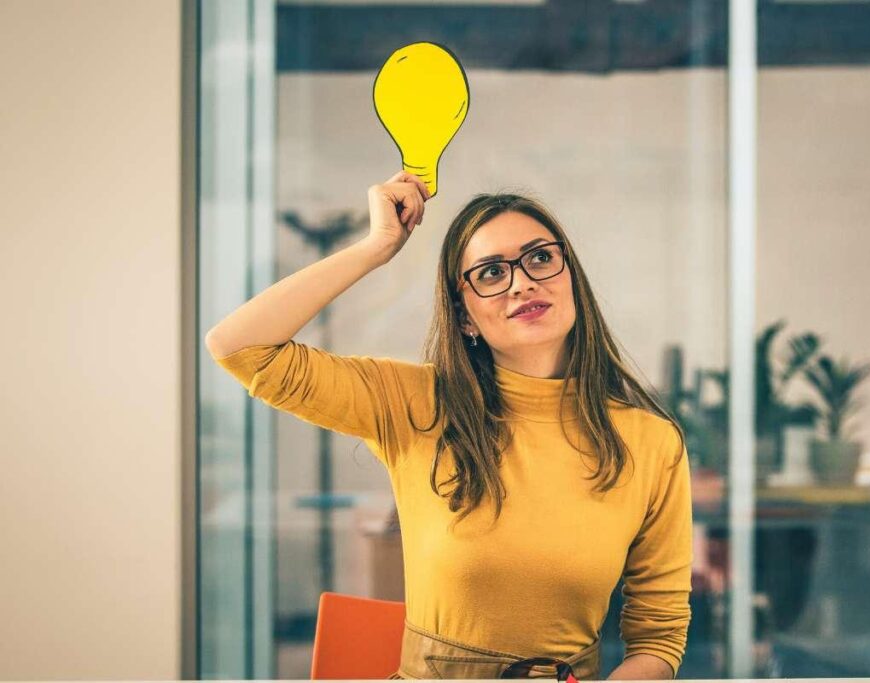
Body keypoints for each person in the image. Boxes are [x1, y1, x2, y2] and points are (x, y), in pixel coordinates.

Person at [205, 171, 693, 680]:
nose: (522, 282)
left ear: (571, 276)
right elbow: (238, 347)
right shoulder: (414, 404)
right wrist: (376, 247)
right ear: (464, 318)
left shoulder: (651, 442)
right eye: (489, 273)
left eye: (541, 258)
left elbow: (657, 636)